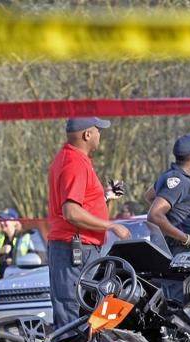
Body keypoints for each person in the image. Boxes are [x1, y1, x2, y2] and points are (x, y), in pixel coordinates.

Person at [47, 117, 130, 328]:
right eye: (98, 131)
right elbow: (71, 212)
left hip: (80, 248)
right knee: (71, 312)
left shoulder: (75, 159)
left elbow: (81, 204)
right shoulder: (74, 163)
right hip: (74, 249)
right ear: (87, 135)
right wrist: (111, 225)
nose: (100, 135)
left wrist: (105, 196)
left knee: (82, 310)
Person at [146, 134, 190, 255]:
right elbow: (154, 215)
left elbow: (149, 195)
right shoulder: (179, 181)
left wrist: (172, 214)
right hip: (178, 252)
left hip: (172, 248)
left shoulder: (168, 176)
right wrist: (187, 239)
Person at [0, 208, 32, 280]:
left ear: (15, 222)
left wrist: (15, 262)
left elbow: (35, 261)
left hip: (19, 280)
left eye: (6, 219)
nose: (2, 222)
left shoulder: (25, 237)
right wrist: (0, 251)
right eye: (2, 219)